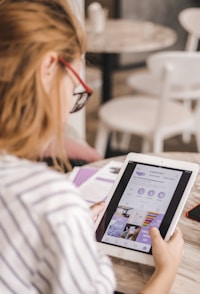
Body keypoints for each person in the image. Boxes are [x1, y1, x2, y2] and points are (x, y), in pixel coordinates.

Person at [0, 0, 184, 293]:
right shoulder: (49, 202)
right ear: (49, 66)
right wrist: (168, 269)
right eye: (74, 84)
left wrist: (68, 230)